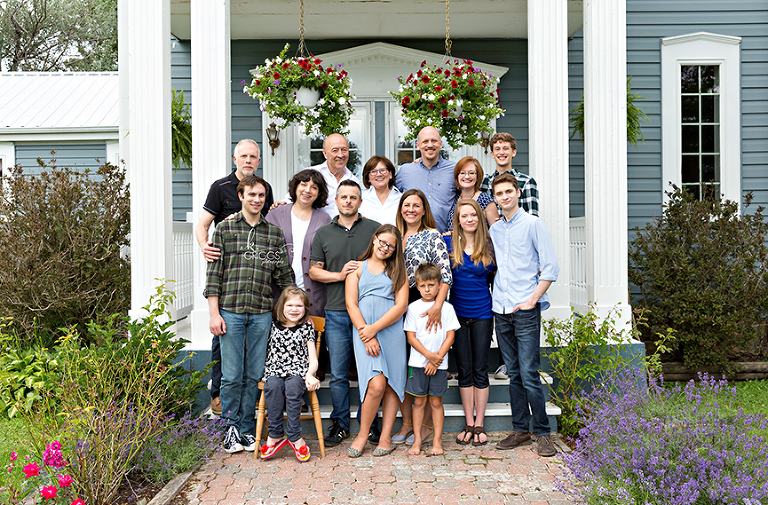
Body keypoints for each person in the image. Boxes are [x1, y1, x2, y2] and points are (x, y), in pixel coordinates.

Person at [204, 175, 295, 454]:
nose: (257, 199)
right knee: (231, 375)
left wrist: (296, 306)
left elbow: (284, 277)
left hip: (261, 314)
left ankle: (245, 429)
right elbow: (214, 276)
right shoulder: (224, 229)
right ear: (241, 196)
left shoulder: (273, 233)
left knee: (254, 373)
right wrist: (213, 314)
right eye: (252, 194)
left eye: (261, 195)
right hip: (230, 312)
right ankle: (230, 428)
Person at [196, 139, 275, 416]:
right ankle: (218, 394)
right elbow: (203, 224)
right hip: (227, 273)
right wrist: (205, 247)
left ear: (259, 160)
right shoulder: (220, 187)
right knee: (222, 343)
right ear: (235, 158)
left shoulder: (264, 188)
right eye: (244, 156)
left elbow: (264, 223)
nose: (249, 160)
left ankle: (247, 403)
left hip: (253, 280)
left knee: (251, 352)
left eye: (253, 156)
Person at [490, 173, 559, 457]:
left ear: (518, 193)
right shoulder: (494, 230)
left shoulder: (533, 225)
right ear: (494, 198)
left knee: (530, 373)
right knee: (514, 373)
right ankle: (520, 429)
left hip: (524, 310)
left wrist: (532, 301)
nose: (504, 197)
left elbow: (551, 268)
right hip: (500, 309)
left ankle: (542, 433)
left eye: (508, 192)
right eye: (499, 194)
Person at [309, 180, 381, 447]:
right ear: (336, 201)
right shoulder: (324, 233)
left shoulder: (374, 230)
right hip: (337, 312)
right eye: (344, 197)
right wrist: (339, 275)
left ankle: (369, 424)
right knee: (338, 374)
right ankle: (339, 424)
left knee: (368, 372)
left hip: (369, 315)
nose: (348, 201)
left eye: (353, 197)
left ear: (360, 202)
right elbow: (314, 271)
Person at [391, 189, 453, 446]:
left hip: (426, 304)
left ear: (424, 209)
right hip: (397, 305)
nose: (411, 210)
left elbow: (445, 273)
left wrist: (438, 305)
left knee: (425, 362)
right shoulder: (393, 235)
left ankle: (425, 426)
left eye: (416, 205)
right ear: (401, 208)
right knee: (406, 368)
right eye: (407, 205)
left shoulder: (431, 235)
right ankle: (407, 423)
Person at [345, 224, 409, 458]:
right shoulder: (357, 268)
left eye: (391, 246)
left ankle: (385, 437)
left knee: (391, 384)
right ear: (374, 239)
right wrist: (366, 332)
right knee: (376, 384)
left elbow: (401, 306)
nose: (385, 247)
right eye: (383, 242)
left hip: (390, 331)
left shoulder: (398, 272)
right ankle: (362, 434)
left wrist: (374, 329)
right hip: (363, 332)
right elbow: (351, 304)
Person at [444, 199, 496, 446]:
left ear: (479, 218)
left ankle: (480, 424)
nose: (469, 219)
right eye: (464, 216)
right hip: (457, 315)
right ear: (458, 220)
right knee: (464, 370)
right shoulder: (448, 243)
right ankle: (468, 422)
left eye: (473, 215)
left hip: (483, 313)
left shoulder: (489, 245)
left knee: (480, 369)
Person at [404, 263, 460, 456]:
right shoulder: (413, 308)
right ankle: (417, 441)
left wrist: (436, 360)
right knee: (418, 403)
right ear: (417, 286)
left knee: (436, 403)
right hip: (418, 365)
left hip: (439, 366)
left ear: (439, 286)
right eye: (423, 286)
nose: (427, 290)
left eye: (431, 285)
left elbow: (450, 337)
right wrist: (429, 356)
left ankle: (437, 441)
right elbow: (411, 337)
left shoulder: (447, 308)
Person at [260, 287, 320, 462]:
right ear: (281, 306)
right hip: (274, 370)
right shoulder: (271, 326)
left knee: (294, 387)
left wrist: (310, 375)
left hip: (298, 371)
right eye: (290, 305)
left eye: (299, 305)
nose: (294, 309)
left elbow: (313, 359)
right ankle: (275, 434)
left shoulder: (306, 328)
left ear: (305, 308)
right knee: (273, 386)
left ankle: (294, 435)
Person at [265, 169, 330, 316]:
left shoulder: (324, 219)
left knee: (311, 336)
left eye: (314, 187)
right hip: (279, 291)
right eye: (303, 184)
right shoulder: (275, 214)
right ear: (295, 188)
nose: (308, 190)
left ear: (319, 193)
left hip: (314, 293)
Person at [277, 134, 361, 217]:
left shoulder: (353, 180)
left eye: (344, 150)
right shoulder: (312, 174)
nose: (340, 155)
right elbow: (292, 198)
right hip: (316, 228)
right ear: (325, 154)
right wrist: (281, 205)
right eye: (335, 150)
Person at [395, 126, 456, 233]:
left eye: (434, 141)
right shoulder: (405, 171)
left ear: (441, 144)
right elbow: (391, 197)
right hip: (412, 240)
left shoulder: (454, 170)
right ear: (418, 146)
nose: (430, 145)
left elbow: (465, 196)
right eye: (425, 142)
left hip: (445, 237)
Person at [479, 132, 539, 217]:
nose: (501, 152)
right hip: (491, 230)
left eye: (505, 148)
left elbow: (532, 218)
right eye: (497, 149)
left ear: (513, 153)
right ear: (492, 154)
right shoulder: (485, 182)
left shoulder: (526, 182)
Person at [446, 156, 499, 226]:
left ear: (477, 177)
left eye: (471, 173)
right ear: (457, 176)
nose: (467, 176)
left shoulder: (487, 201)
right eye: (462, 173)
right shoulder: (454, 198)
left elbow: (496, 232)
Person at [359, 155, 402, 225]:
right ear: (368, 178)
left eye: (382, 170)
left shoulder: (401, 199)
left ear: (390, 174)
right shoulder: (360, 197)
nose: (379, 174)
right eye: (373, 171)